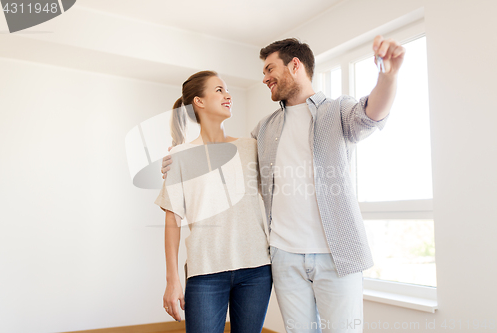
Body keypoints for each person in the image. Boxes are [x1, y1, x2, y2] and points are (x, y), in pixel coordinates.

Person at [161, 36, 405, 333]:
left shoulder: (337, 110)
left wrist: (388, 75)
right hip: (284, 258)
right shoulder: (264, 129)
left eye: (269, 69)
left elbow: (372, 114)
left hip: (335, 255)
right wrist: (179, 159)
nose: (264, 79)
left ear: (295, 65)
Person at [155, 70, 272, 333]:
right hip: (205, 272)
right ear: (199, 101)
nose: (228, 95)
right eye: (219, 90)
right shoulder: (180, 156)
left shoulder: (250, 147)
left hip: (256, 269)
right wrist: (172, 279)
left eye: (227, 90)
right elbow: (172, 219)